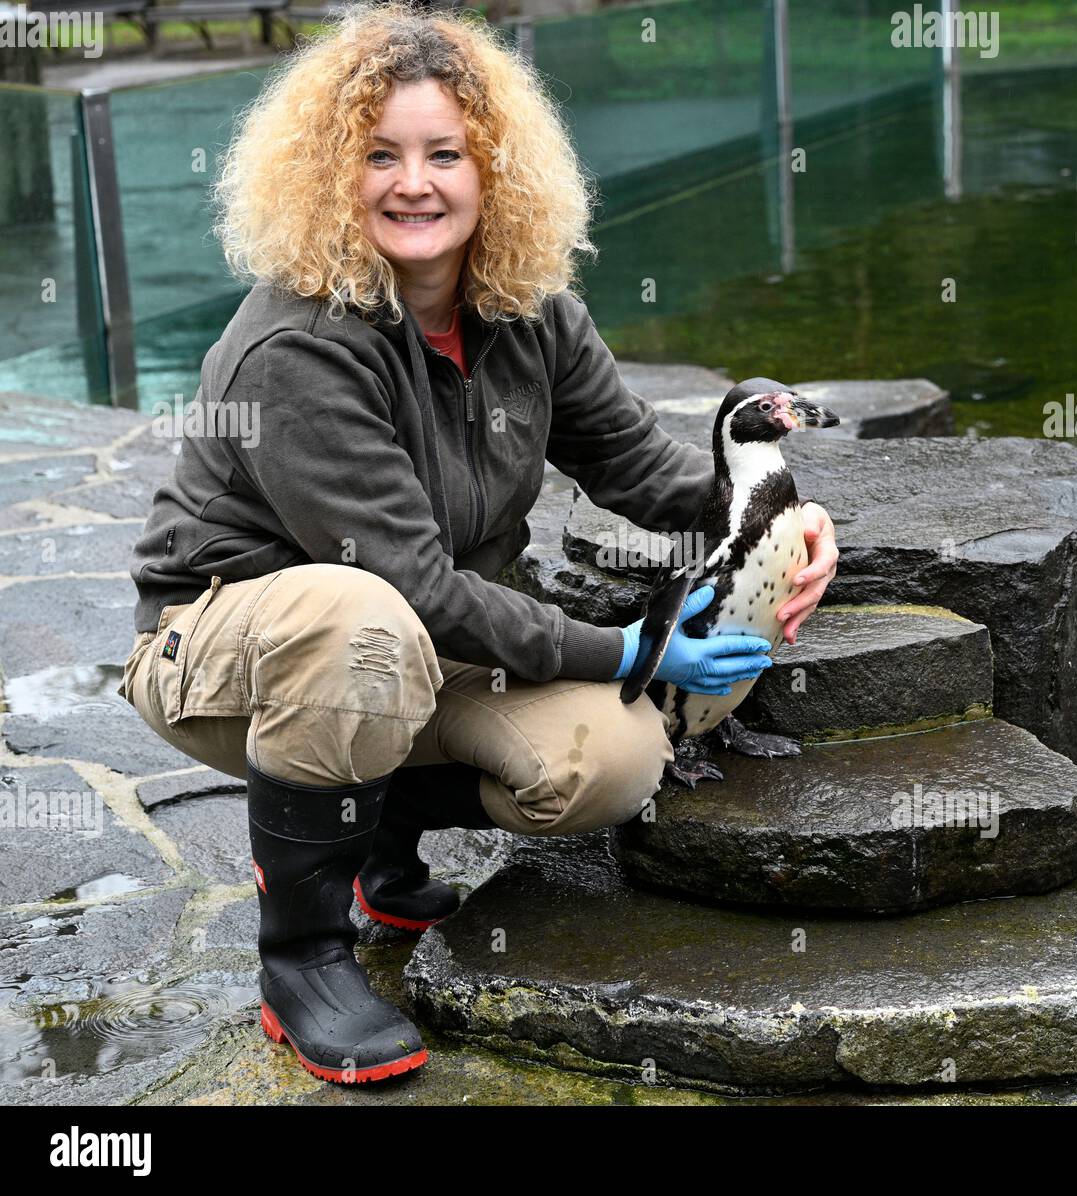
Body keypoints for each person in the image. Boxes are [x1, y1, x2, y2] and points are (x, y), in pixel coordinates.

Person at [119, 2, 839, 1084]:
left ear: (491, 167)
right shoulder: (297, 346)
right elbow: (406, 583)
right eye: (380, 155)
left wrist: (774, 508)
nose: (416, 182)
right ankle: (304, 957)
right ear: (329, 173)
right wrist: (640, 652)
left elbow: (641, 469)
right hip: (239, 646)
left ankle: (381, 824)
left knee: (613, 760)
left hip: (420, 642)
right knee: (359, 622)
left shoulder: (527, 308)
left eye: (444, 153)